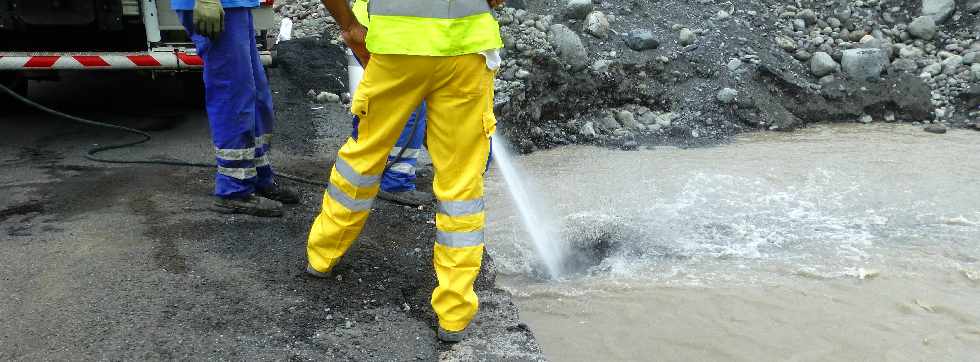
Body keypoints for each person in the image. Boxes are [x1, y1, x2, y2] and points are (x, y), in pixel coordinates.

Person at [307, 0, 505, 342]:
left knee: (363, 159)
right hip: (468, 50)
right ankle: (454, 315)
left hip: (396, 47)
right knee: (461, 183)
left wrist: (349, 24)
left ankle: (323, 256)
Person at [171, 0, 299, 217]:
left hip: (234, 5)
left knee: (255, 97)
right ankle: (234, 189)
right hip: (218, 6)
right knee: (233, 96)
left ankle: (257, 176)